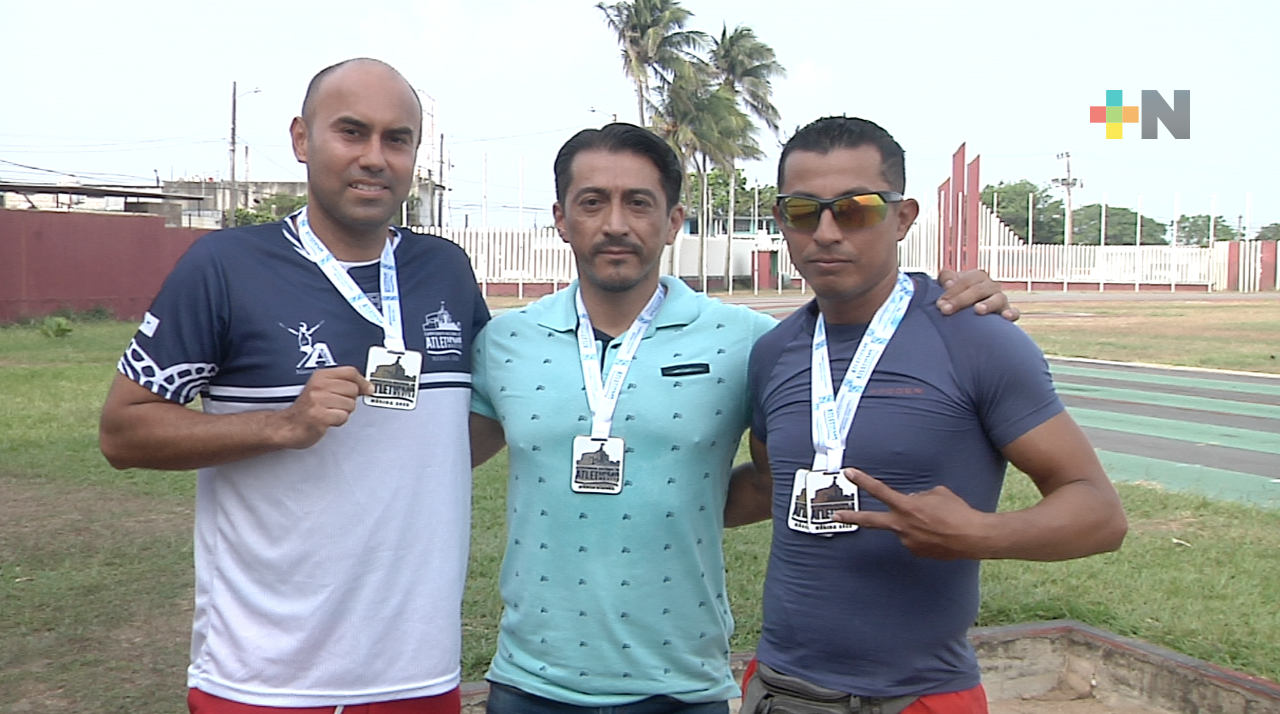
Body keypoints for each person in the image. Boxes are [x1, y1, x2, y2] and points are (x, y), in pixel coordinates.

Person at [466, 123, 1018, 714]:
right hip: (529, 681)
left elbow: (780, 467)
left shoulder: (752, 341)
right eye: (593, 202)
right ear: (560, 217)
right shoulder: (504, 342)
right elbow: (444, 456)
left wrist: (966, 299)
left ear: (674, 220)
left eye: (639, 202)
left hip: (682, 685)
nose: (616, 224)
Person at [99, 58, 488, 713]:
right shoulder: (225, 267)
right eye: (351, 132)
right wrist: (281, 424)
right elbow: (122, 431)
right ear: (301, 140)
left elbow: (474, 421)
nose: (374, 156)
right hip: (261, 677)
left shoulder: (444, 269)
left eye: (397, 138)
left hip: (418, 672)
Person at [739, 116, 1128, 714]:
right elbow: (771, 486)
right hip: (779, 690)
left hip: (919, 696)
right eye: (802, 211)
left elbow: (1100, 513)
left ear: (902, 217)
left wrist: (979, 534)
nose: (825, 232)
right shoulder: (773, 353)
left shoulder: (973, 338)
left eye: (854, 208)